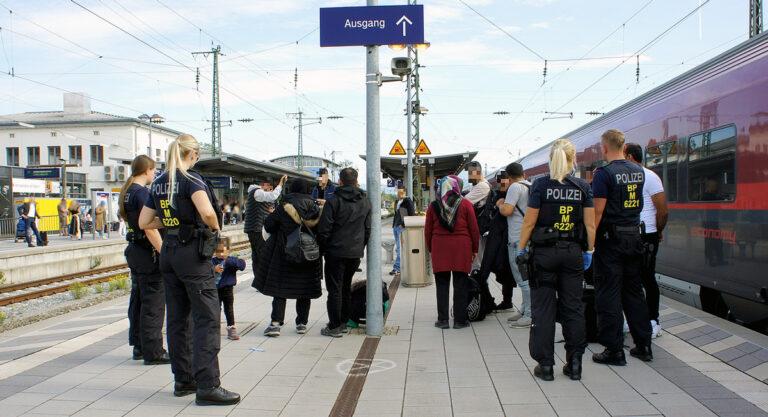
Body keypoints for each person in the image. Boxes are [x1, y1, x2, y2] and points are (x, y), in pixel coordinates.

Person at [139, 134, 240, 406]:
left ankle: (183, 380)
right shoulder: (191, 179)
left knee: (177, 318)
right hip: (192, 255)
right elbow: (207, 212)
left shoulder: (159, 182)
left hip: (169, 253)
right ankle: (208, 386)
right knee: (206, 318)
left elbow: (144, 221)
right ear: (193, 155)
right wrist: (214, 227)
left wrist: (174, 221)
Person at [517, 139, 596, 381]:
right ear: (573, 160)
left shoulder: (540, 185)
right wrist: (589, 252)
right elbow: (590, 224)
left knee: (543, 309)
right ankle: (574, 365)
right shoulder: (583, 187)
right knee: (573, 308)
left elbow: (529, 222)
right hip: (572, 254)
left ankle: (546, 365)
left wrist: (521, 249)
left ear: (552, 159)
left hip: (543, 255)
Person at [591, 129, 653, 366]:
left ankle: (614, 350)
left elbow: (598, 212)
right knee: (634, 293)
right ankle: (643, 345)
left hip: (611, 241)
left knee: (609, 294)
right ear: (624, 147)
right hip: (634, 238)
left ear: (605, 147)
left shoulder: (604, 174)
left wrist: (590, 243)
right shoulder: (638, 171)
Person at [254, 178, 322, 338]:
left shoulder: (284, 206)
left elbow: (269, 225)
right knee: (305, 289)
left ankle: (276, 324)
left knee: (280, 289)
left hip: (284, 253)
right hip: (308, 253)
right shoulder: (315, 207)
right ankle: (302, 324)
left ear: (292, 189)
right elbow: (321, 229)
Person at [119, 155, 169, 365]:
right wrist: (164, 252)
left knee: (138, 300)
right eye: (154, 170)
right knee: (153, 303)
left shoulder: (128, 193)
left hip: (135, 251)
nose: (155, 174)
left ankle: (139, 345)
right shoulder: (142, 194)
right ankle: (153, 351)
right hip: (148, 254)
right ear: (147, 170)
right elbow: (148, 228)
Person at [317, 168, 372, 337]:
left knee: (335, 289)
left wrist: (324, 248)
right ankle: (343, 322)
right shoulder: (365, 201)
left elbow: (324, 229)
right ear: (356, 181)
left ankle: (334, 326)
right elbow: (367, 229)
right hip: (354, 253)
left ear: (340, 181)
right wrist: (359, 247)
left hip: (335, 252)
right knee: (346, 287)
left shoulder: (333, 201)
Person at [625, 143, 668, 339]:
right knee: (632, 278)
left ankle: (653, 321)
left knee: (646, 278)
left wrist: (657, 231)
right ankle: (636, 319)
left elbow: (662, 210)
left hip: (646, 234)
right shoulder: (626, 177)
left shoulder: (649, 177)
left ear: (631, 157)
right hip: (632, 233)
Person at [425, 175, 480, 330]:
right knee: (460, 284)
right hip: (461, 248)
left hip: (439, 247)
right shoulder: (466, 204)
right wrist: (475, 249)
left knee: (441, 285)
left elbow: (427, 231)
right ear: (457, 187)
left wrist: (431, 248)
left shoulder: (434, 206)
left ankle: (442, 321)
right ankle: (459, 320)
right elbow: (474, 230)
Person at [498, 163, 532, 327]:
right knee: (527, 275)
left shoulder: (514, 187)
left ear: (509, 177)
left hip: (517, 238)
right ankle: (525, 309)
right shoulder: (530, 185)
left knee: (522, 277)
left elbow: (507, 211)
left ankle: (529, 314)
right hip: (528, 237)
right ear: (523, 173)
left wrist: (500, 204)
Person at [478, 170, 515, 311]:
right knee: (486, 267)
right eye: (500, 181)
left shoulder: (513, 195)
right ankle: (487, 301)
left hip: (507, 236)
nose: (502, 183)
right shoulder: (494, 195)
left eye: (504, 180)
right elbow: (488, 213)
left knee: (507, 269)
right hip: (494, 236)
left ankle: (507, 301)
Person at [244, 176, 287, 272]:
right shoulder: (257, 192)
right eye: (269, 187)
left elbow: (268, 202)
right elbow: (273, 196)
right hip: (256, 229)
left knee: (256, 256)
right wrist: (280, 184)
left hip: (254, 229)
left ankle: (259, 278)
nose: (270, 190)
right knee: (262, 254)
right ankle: (262, 278)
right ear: (264, 185)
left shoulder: (255, 193)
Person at [212, 237, 246, 340]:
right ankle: (214, 328)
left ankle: (231, 327)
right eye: (219, 251)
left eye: (224, 251)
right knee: (215, 309)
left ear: (228, 250)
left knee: (229, 308)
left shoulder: (231, 260)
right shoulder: (212, 261)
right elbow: (205, 269)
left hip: (228, 289)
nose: (221, 253)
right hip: (215, 290)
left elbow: (242, 265)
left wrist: (228, 260)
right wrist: (214, 269)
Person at [464, 161, 492, 272]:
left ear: (478, 172)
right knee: (477, 258)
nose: (469, 176)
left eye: (471, 173)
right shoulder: (477, 185)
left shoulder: (482, 186)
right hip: (478, 225)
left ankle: (478, 282)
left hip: (480, 226)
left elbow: (464, 201)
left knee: (478, 260)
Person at [390, 186, 415, 276]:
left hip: (401, 227)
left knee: (400, 248)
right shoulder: (397, 201)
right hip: (396, 226)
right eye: (397, 191)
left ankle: (397, 268)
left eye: (400, 191)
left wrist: (403, 224)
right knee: (398, 248)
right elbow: (396, 214)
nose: (397, 193)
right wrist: (394, 226)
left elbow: (412, 214)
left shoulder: (407, 201)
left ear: (404, 192)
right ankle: (402, 266)